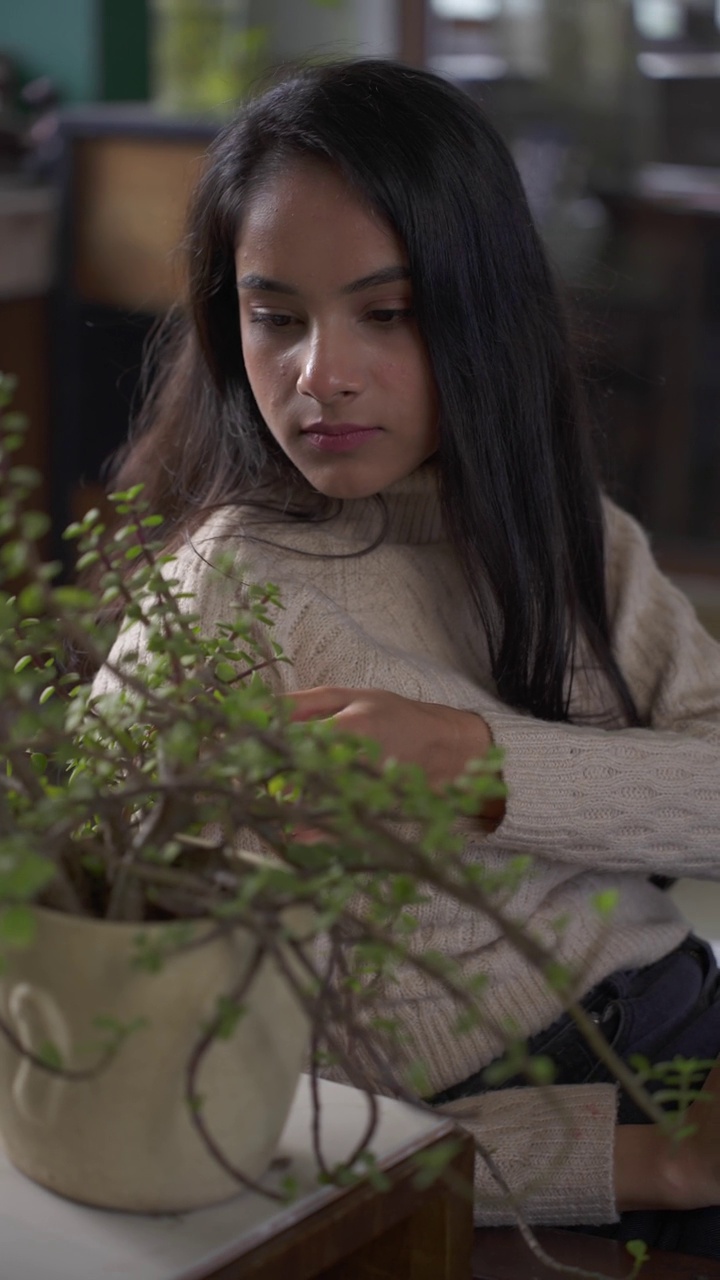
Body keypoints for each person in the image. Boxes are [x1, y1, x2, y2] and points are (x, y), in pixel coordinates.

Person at [95, 59, 720, 1255]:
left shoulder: (566, 528)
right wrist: (648, 1160)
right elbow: (219, 1108)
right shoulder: (225, 600)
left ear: (485, 308)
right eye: (275, 315)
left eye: (389, 313)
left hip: (687, 1007)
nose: (319, 373)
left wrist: (487, 772)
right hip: (542, 1143)